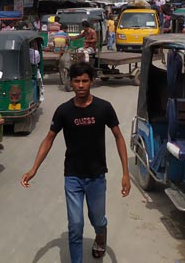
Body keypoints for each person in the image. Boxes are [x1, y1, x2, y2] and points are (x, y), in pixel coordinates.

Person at [21, 62, 130, 262]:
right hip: (72, 176)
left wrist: (125, 173)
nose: (80, 85)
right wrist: (34, 168)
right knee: (75, 225)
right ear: (70, 83)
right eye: (76, 81)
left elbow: (118, 137)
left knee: (97, 220)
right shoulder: (64, 111)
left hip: (96, 176)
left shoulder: (104, 108)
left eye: (85, 81)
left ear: (92, 82)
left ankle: (100, 235)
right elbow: (49, 139)